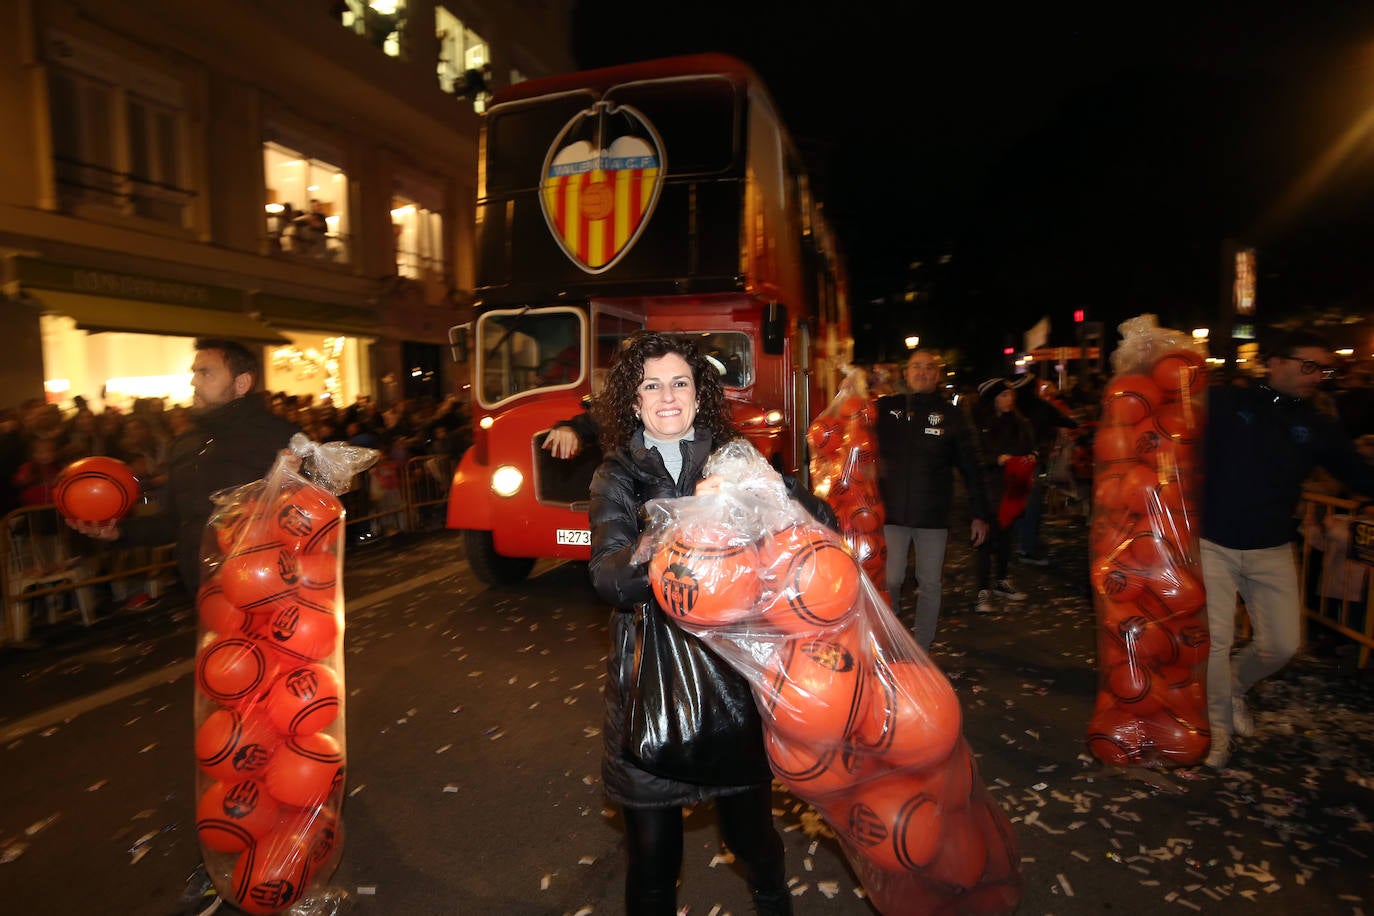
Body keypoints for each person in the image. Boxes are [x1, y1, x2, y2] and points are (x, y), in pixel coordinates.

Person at [587, 330, 832, 916]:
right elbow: (611, 580)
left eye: (680, 382)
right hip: (651, 687)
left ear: (699, 396)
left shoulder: (735, 458)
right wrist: (676, 530)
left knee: (751, 839)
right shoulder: (615, 475)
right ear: (635, 399)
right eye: (652, 385)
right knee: (652, 863)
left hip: (732, 683)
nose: (667, 396)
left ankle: (774, 901)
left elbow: (821, 529)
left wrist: (776, 490)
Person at [1200, 328, 1374, 769]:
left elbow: (1356, 472)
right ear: (1275, 362)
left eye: (1324, 369)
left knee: (1281, 645)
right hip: (1211, 542)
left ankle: (1235, 688)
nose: (1317, 377)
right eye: (1308, 365)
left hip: (1272, 547)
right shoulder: (1224, 402)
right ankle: (1215, 728)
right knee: (1215, 642)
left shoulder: (1317, 425)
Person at [67, 338, 300, 592]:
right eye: (194, 372)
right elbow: (176, 522)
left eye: (206, 372)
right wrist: (120, 533)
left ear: (241, 383)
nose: (193, 381)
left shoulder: (280, 437)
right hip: (202, 588)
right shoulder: (186, 444)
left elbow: (317, 516)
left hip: (271, 587)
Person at [874, 349, 990, 648]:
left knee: (930, 583)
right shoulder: (887, 409)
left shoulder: (951, 415)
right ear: (906, 372)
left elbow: (971, 464)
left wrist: (980, 513)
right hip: (893, 514)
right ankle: (894, 630)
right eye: (916, 367)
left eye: (929, 367)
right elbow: (854, 433)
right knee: (892, 579)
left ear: (937, 375)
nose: (922, 372)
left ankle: (922, 647)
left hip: (933, 516)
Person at [970, 378, 1035, 614]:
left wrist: (1031, 457)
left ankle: (1001, 580)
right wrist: (995, 460)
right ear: (993, 399)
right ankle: (982, 589)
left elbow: (1030, 446)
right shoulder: (979, 423)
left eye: (1011, 395)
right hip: (988, 488)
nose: (1010, 400)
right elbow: (974, 456)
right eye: (1004, 395)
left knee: (1007, 535)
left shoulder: (1019, 422)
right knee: (985, 540)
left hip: (1012, 487)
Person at [1014, 377, 1079, 564]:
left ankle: (1017, 543)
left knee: (1017, 502)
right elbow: (1067, 422)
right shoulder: (1041, 406)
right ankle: (1027, 548)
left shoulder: (1011, 407)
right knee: (1032, 504)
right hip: (1033, 461)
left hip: (1012, 461)